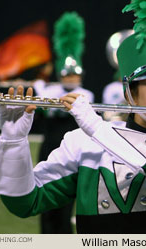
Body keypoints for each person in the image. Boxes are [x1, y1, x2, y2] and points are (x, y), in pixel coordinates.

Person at [0, 0, 146, 233]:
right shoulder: (82, 144)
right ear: (130, 93)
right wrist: (14, 142)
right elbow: (26, 202)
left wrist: (97, 127)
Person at [33, 12, 94, 233]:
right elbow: (42, 115)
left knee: (66, 202)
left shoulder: (86, 93)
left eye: (74, 76)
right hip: (50, 147)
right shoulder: (50, 91)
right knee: (44, 195)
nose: (71, 79)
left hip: (74, 152)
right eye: (67, 75)